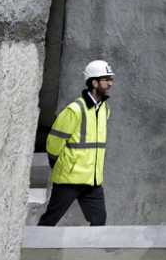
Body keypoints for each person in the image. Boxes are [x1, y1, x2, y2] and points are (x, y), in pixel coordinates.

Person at [40, 58, 114, 227]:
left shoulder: (104, 109)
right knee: (50, 221)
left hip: (93, 180)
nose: (110, 83)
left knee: (99, 221)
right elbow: (54, 142)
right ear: (94, 83)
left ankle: (93, 253)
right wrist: (58, 164)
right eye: (106, 79)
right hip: (69, 178)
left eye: (111, 79)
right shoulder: (75, 110)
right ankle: (33, 250)